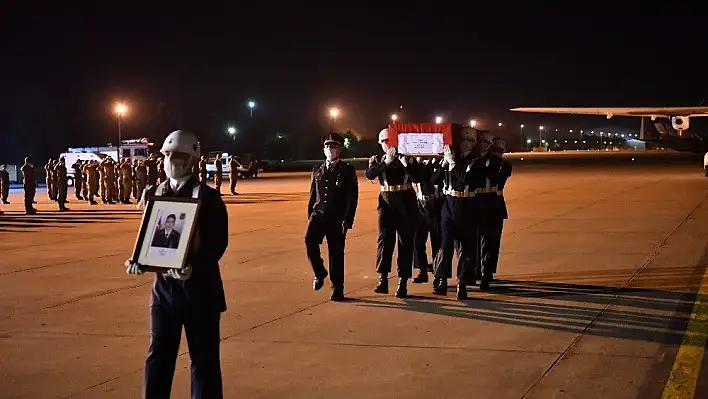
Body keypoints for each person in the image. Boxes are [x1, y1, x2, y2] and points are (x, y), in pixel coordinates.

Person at [126, 130, 228, 399]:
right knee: (158, 356)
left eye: (179, 156)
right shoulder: (154, 193)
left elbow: (217, 245)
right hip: (164, 292)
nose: (171, 161)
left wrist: (194, 266)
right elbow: (149, 236)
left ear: (193, 160)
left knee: (203, 362)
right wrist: (139, 259)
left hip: (200, 292)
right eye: (167, 155)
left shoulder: (208, 197)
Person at [432, 127, 489, 299]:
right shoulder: (451, 159)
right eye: (462, 140)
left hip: (468, 206)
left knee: (466, 248)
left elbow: (466, 180)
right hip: (449, 206)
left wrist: (453, 164)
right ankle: (441, 280)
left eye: (469, 140)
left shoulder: (477, 162)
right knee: (445, 246)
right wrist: (443, 164)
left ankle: (462, 284)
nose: (465, 144)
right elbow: (433, 181)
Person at [365, 128, 421, 298]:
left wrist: (405, 162)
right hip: (386, 201)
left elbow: (418, 177)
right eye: (384, 142)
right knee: (384, 240)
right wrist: (385, 163)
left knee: (405, 242)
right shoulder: (377, 159)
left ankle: (402, 282)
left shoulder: (407, 157)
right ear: (380, 143)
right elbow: (370, 175)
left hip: (406, 200)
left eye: (390, 141)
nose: (388, 145)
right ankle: (382, 279)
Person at [306, 133, 359, 301]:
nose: (330, 149)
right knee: (309, 242)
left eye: (333, 146)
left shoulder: (347, 170)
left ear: (339, 149)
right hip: (318, 215)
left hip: (337, 218)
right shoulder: (317, 169)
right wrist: (310, 215)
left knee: (336, 253)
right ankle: (320, 273)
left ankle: (338, 288)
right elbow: (313, 195)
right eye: (327, 146)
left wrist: (348, 219)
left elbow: (352, 198)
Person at [477, 137, 512, 289]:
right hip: (480, 204)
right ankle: (478, 270)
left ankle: (487, 272)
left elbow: (497, 178)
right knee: (479, 241)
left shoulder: (504, 164)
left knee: (491, 242)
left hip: (494, 206)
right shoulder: (482, 161)